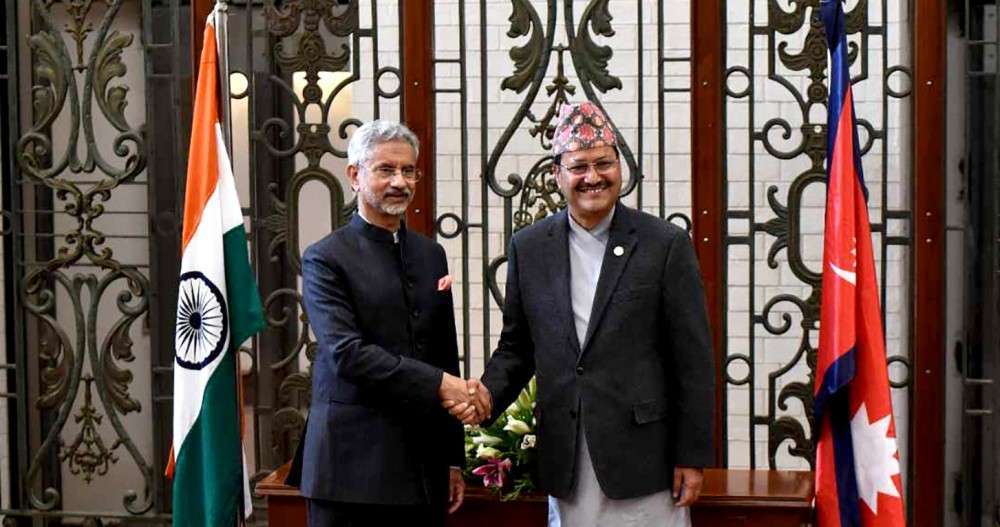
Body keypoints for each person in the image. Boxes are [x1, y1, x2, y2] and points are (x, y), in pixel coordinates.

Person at [447, 102, 715, 527]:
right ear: (558, 174)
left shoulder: (664, 244)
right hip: (568, 454)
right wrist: (486, 398)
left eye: (604, 163)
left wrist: (692, 455)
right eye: (579, 167)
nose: (593, 177)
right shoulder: (530, 247)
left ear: (620, 169)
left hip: (646, 458)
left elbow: (693, 360)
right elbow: (517, 347)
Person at [295, 120, 469, 526]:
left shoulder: (430, 255)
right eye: (386, 170)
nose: (400, 182)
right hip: (349, 472)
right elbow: (347, 354)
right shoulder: (325, 258)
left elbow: (444, 353)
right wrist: (439, 383)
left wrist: (451, 458)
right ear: (355, 176)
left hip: (422, 470)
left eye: (409, 171)